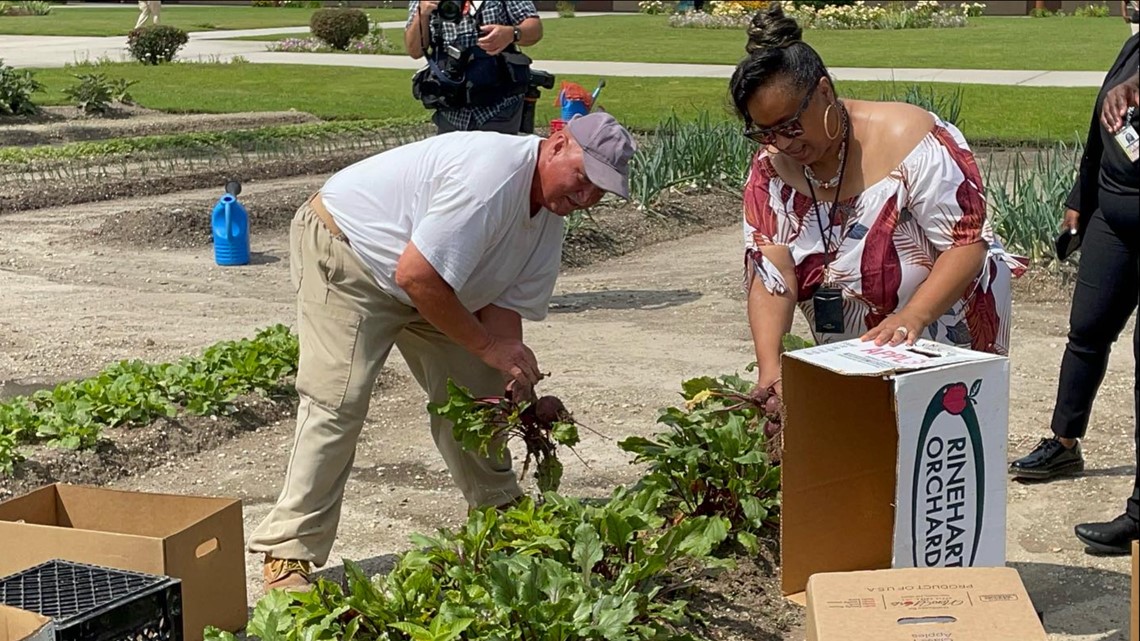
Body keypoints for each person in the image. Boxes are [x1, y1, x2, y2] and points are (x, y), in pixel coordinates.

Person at [247, 112, 636, 592]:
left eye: (600, 190)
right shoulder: (491, 179)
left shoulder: (548, 222)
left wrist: (512, 383)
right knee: (338, 400)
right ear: (557, 144)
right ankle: (288, 552)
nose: (586, 197)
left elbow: (502, 308)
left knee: (479, 395)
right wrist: (488, 346)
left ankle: (501, 512)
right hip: (350, 253)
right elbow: (416, 275)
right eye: (583, 177)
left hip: (430, 284)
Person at [729, 4, 1025, 407]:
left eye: (791, 126)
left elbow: (966, 244)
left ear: (823, 92)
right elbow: (772, 271)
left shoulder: (911, 139)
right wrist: (771, 370)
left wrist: (912, 317)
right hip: (856, 345)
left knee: (938, 442)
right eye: (765, 133)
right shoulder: (770, 170)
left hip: (945, 320)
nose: (782, 144)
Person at [1009, 35, 1138, 555]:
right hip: (1113, 215)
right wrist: (1080, 200)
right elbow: (1098, 127)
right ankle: (1064, 444)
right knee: (1087, 331)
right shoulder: (1133, 48)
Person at [405, 0, 543, 135]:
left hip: (499, 104)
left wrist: (511, 33)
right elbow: (415, 50)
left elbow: (535, 29)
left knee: (496, 157)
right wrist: (422, 14)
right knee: (452, 158)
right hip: (451, 107)